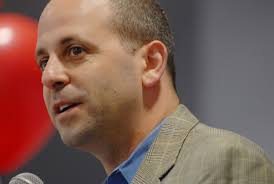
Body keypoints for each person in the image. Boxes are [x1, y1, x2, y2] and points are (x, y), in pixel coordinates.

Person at [35, 0, 274, 183]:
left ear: (151, 63)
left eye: (75, 51)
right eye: (44, 62)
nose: (49, 76)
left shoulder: (223, 163)